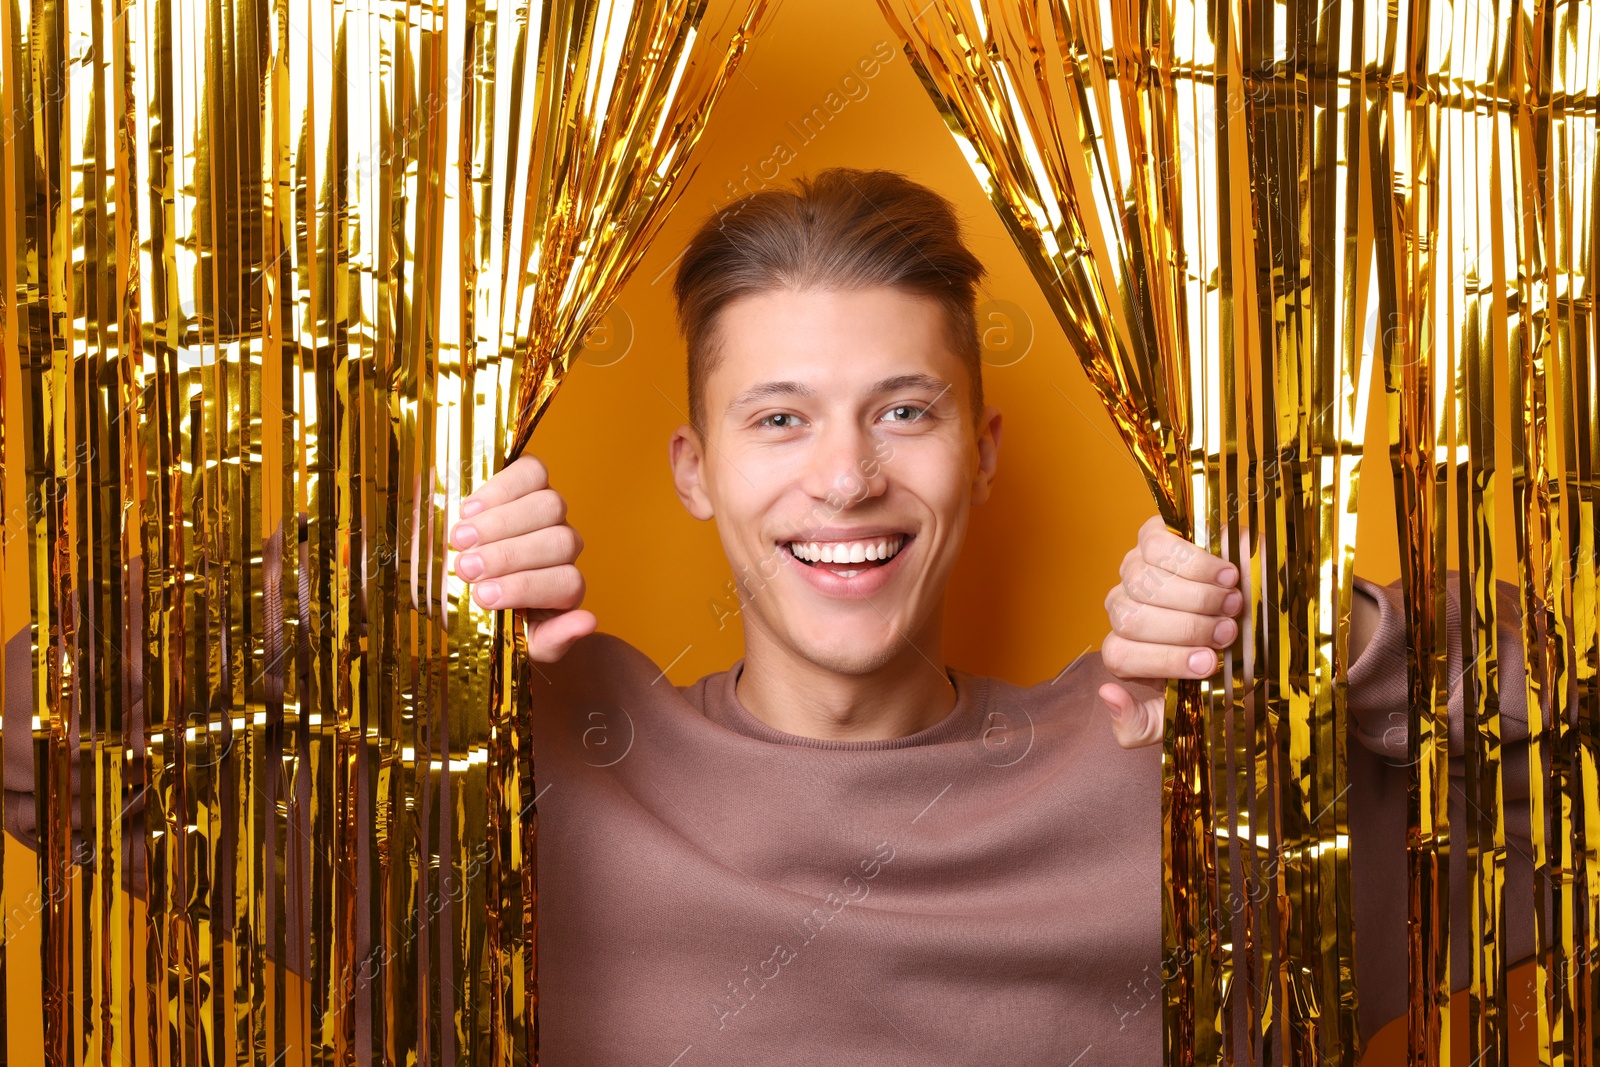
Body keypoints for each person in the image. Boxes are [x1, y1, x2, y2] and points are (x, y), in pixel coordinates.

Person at [449, 168, 1539, 1064]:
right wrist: (402, 580)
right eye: (780, 418)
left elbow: (1565, 754)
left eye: (904, 411)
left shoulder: (1176, 767)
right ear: (696, 471)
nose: (845, 477)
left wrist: (1320, 630)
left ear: (980, 454)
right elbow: (275, 731)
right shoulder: (534, 763)